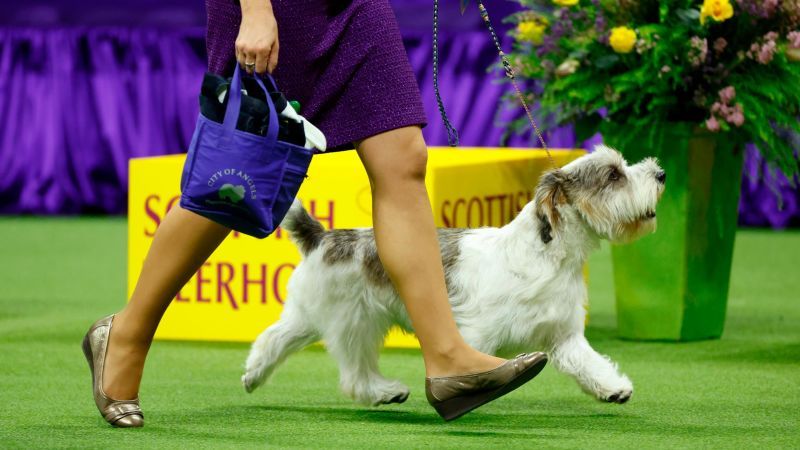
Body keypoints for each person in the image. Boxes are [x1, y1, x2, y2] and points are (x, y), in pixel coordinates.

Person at [82, 0, 546, 427]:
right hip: (276, 8)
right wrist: (256, 9)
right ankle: (126, 334)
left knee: (404, 159)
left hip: (354, 7)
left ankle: (448, 358)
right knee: (235, 181)